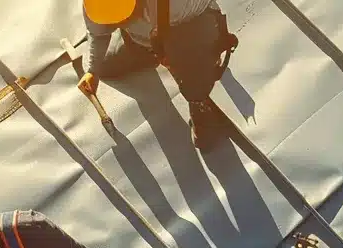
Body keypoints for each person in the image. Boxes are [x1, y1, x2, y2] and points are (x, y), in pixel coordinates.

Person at [77, 0, 239, 149]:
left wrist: (197, 60)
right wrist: (93, 70)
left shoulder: (180, 5)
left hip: (190, 27)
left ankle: (200, 103)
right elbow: (98, 33)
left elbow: (201, 24)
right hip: (149, 37)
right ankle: (149, 51)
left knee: (192, 63)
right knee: (105, 66)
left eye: (125, 19)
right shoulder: (95, 4)